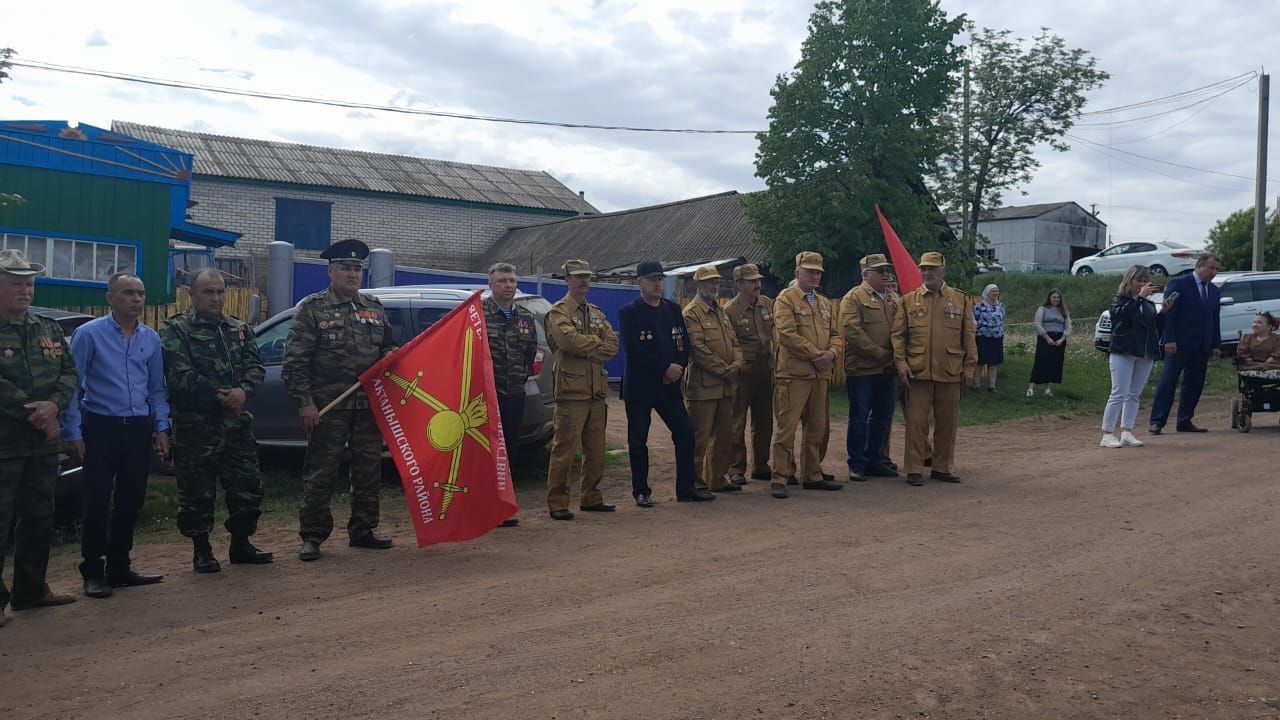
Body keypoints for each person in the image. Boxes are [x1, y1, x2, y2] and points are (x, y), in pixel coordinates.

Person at [285, 239, 397, 561]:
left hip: (368, 406)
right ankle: (313, 536)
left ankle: (363, 530)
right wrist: (305, 402)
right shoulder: (313, 308)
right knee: (321, 473)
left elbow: (386, 347)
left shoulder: (373, 307)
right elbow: (295, 361)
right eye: (346, 268)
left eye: (357, 269)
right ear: (331, 271)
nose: (353, 274)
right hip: (328, 407)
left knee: (367, 472)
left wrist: (391, 356)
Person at [63, 273, 170, 597]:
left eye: (140, 293)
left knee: (131, 498)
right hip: (100, 425)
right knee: (97, 499)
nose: (136, 299)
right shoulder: (88, 335)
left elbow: (157, 388)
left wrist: (162, 427)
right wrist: (72, 431)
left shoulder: (150, 338)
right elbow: (72, 386)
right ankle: (93, 570)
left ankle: (120, 566)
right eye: (127, 293)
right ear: (110, 298)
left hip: (137, 426)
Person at [161, 269, 274, 572]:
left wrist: (244, 391)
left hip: (236, 425)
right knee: (197, 491)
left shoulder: (237, 328)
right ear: (192, 295)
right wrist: (223, 396)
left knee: (247, 486)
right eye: (208, 292)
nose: (215, 298)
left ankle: (241, 544)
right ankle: (202, 550)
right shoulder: (177, 329)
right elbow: (179, 376)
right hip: (196, 427)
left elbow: (255, 366)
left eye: (220, 292)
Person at [0, 249, 78, 625]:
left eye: (29, 284)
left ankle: (30, 591)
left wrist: (54, 405)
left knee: (39, 516)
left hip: (42, 442)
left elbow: (69, 371)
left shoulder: (47, 328)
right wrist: (35, 412)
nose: (25, 290)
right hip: (5, 443)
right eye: (16, 283)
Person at [617, 261, 711, 507]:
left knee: (685, 432)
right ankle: (641, 490)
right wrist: (663, 368)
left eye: (660, 279)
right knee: (639, 439)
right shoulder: (629, 312)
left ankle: (686, 487)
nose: (658, 284)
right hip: (641, 386)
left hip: (669, 385)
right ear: (639, 282)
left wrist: (677, 368)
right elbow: (634, 350)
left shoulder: (672, 309)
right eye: (652, 279)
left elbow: (684, 344)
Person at [891, 251, 977, 486]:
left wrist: (969, 369)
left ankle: (941, 468)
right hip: (917, 374)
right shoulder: (909, 300)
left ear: (943, 272)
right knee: (917, 425)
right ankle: (914, 469)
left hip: (950, 372)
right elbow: (898, 336)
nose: (927, 273)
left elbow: (969, 337)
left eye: (932, 269)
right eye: (923, 269)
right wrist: (901, 363)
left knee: (947, 425)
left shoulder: (960, 299)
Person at [544, 260, 619, 520]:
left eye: (587, 276)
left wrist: (587, 345)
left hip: (596, 390)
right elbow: (567, 341)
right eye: (578, 277)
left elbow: (613, 345)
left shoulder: (596, 312)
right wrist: (595, 344)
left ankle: (591, 497)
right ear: (567, 280)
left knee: (596, 449)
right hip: (571, 391)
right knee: (564, 449)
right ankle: (558, 503)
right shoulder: (558, 312)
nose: (583, 281)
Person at [770, 251, 843, 499]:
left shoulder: (823, 303)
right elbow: (787, 334)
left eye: (818, 272)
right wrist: (816, 355)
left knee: (817, 428)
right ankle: (780, 476)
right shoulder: (786, 299)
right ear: (797, 272)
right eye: (809, 271)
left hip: (820, 375)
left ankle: (812, 474)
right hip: (794, 374)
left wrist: (832, 354)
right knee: (786, 429)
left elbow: (836, 334)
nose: (814, 275)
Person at [482, 262, 537, 527]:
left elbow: (530, 354)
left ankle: (504, 506)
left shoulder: (525, 317)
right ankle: (482, 506)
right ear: (490, 285)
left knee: (508, 451)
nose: (508, 285)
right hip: (483, 397)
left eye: (512, 281)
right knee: (484, 452)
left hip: (514, 392)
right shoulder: (478, 314)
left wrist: (519, 377)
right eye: (502, 281)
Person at [682, 265, 743, 495]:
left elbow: (735, 343)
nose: (714, 286)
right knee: (700, 436)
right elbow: (697, 349)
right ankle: (695, 482)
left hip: (726, 386)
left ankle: (717, 478)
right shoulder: (691, 313)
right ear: (698, 285)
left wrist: (736, 364)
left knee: (724, 435)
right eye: (709, 282)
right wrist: (723, 369)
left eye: (716, 282)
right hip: (704, 385)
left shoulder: (721, 311)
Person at [839, 254, 899, 481]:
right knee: (860, 417)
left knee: (883, 416)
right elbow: (852, 331)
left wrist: (896, 357)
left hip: (888, 368)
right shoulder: (853, 298)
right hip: (862, 369)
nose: (886, 275)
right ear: (866, 274)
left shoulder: (894, 298)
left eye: (886, 271)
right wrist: (880, 354)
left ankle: (875, 459)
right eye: (880, 271)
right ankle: (857, 463)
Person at [1149, 252, 1222, 434]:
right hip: (1179, 344)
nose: (1214, 272)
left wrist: (1215, 345)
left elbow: (1214, 319)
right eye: (1211, 268)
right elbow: (1170, 315)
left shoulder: (1213, 290)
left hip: (1201, 345)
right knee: (1168, 382)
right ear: (1199, 266)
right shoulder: (1180, 284)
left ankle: (1185, 420)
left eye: (1217, 269)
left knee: (1194, 383)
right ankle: (1157, 421)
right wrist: (1169, 339)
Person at [1101, 265, 1166, 449]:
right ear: (1130, 281)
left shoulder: (1148, 304)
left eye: (1146, 281)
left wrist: (1164, 314)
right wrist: (1139, 298)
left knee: (1134, 394)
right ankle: (1107, 433)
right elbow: (1121, 315)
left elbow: (1155, 328)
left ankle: (1127, 431)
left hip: (1144, 352)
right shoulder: (1120, 300)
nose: (1143, 284)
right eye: (1140, 280)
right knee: (1119, 393)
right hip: (1123, 350)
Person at [723, 264, 774, 485]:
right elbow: (730, 343)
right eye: (752, 281)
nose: (757, 285)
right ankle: (736, 468)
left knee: (764, 422)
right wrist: (738, 365)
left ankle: (761, 465)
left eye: (758, 280)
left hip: (766, 372)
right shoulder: (730, 310)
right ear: (739, 284)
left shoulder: (767, 304)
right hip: (742, 375)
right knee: (736, 422)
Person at [1027, 289, 1070, 397]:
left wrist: (1062, 338)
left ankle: (1048, 388)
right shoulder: (1043, 309)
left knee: (1054, 364)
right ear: (1049, 298)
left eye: (1058, 297)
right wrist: (1047, 337)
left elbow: (1068, 326)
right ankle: (1031, 387)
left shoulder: (1063, 311)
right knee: (1040, 362)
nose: (1056, 299)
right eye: (1054, 297)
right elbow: (1038, 324)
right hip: (1045, 338)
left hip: (1059, 339)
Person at [971, 284, 1005, 392]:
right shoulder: (980, 305)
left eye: (996, 291)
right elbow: (973, 319)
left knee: (993, 362)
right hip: (983, 337)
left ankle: (992, 385)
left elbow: (1002, 318)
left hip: (996, 337)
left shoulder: (1001, 306)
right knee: (980, 362)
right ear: (987, 292)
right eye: (992, 291)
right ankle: (976, 384)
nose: (995, 293)